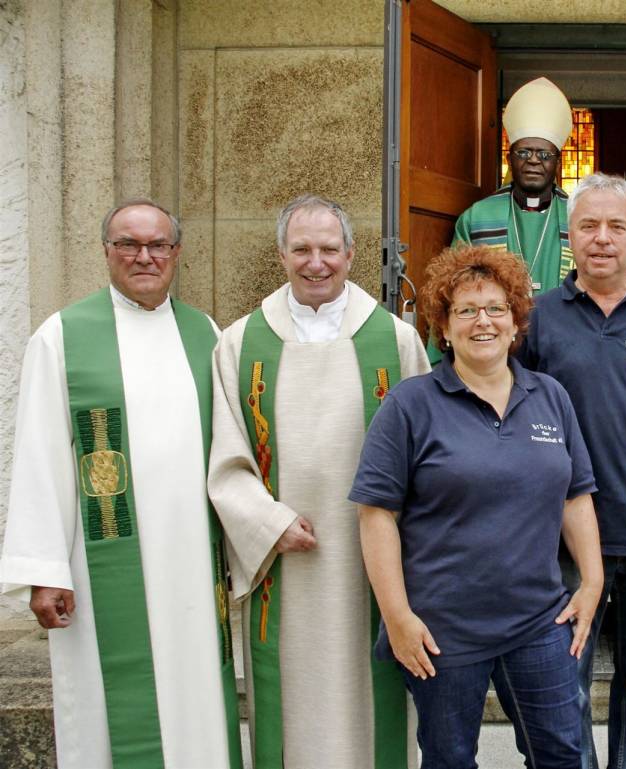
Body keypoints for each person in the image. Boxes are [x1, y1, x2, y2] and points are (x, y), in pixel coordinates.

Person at [0, 200, 242, 768]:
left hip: (192, 559)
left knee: (197, 699)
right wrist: (44, 572)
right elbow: (38, 455)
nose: (144, 256)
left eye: (158, 245)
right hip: (102, 564)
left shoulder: (204, 332)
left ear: (176, 252)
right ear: (106, 252)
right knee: (107, 715)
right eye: (128, 244)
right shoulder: (62, 336)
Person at [352, 244, 603, 769]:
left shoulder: (550, 396)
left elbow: (575, 495)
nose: (483, 321)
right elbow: (376, 516)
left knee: (563, 755)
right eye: (465, 310)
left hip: (538, 621)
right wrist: (397, 618)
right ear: (444, 327)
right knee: (449, 760)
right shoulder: (409, 405)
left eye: (496, 308)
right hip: (443, 632)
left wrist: (592, 582)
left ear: (515, 323)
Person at [208, 194, 429, 768]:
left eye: (329, 249)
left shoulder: (395, 340)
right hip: (284, 560)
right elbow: (227, 458)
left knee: (369, 698)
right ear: (281, 254)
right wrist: (269, 523)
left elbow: (428, 453)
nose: (316, 262)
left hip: (373, 560)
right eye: (301, 249)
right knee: (292, 700)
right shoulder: (240, 343)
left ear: (351, 254)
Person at [519, 173, 626, 769]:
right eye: (588, 226)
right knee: (565, 681)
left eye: (616, 226)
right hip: (560, 539)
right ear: (568, 236)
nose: (602, 238)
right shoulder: (536, 318)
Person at [454, 76, 574, 295]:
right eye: (524, 152)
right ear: (509, 160)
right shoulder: (477, 217)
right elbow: (456, 287)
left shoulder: (579, 217)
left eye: (544, 155)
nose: (533, 160)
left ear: (558, 164)